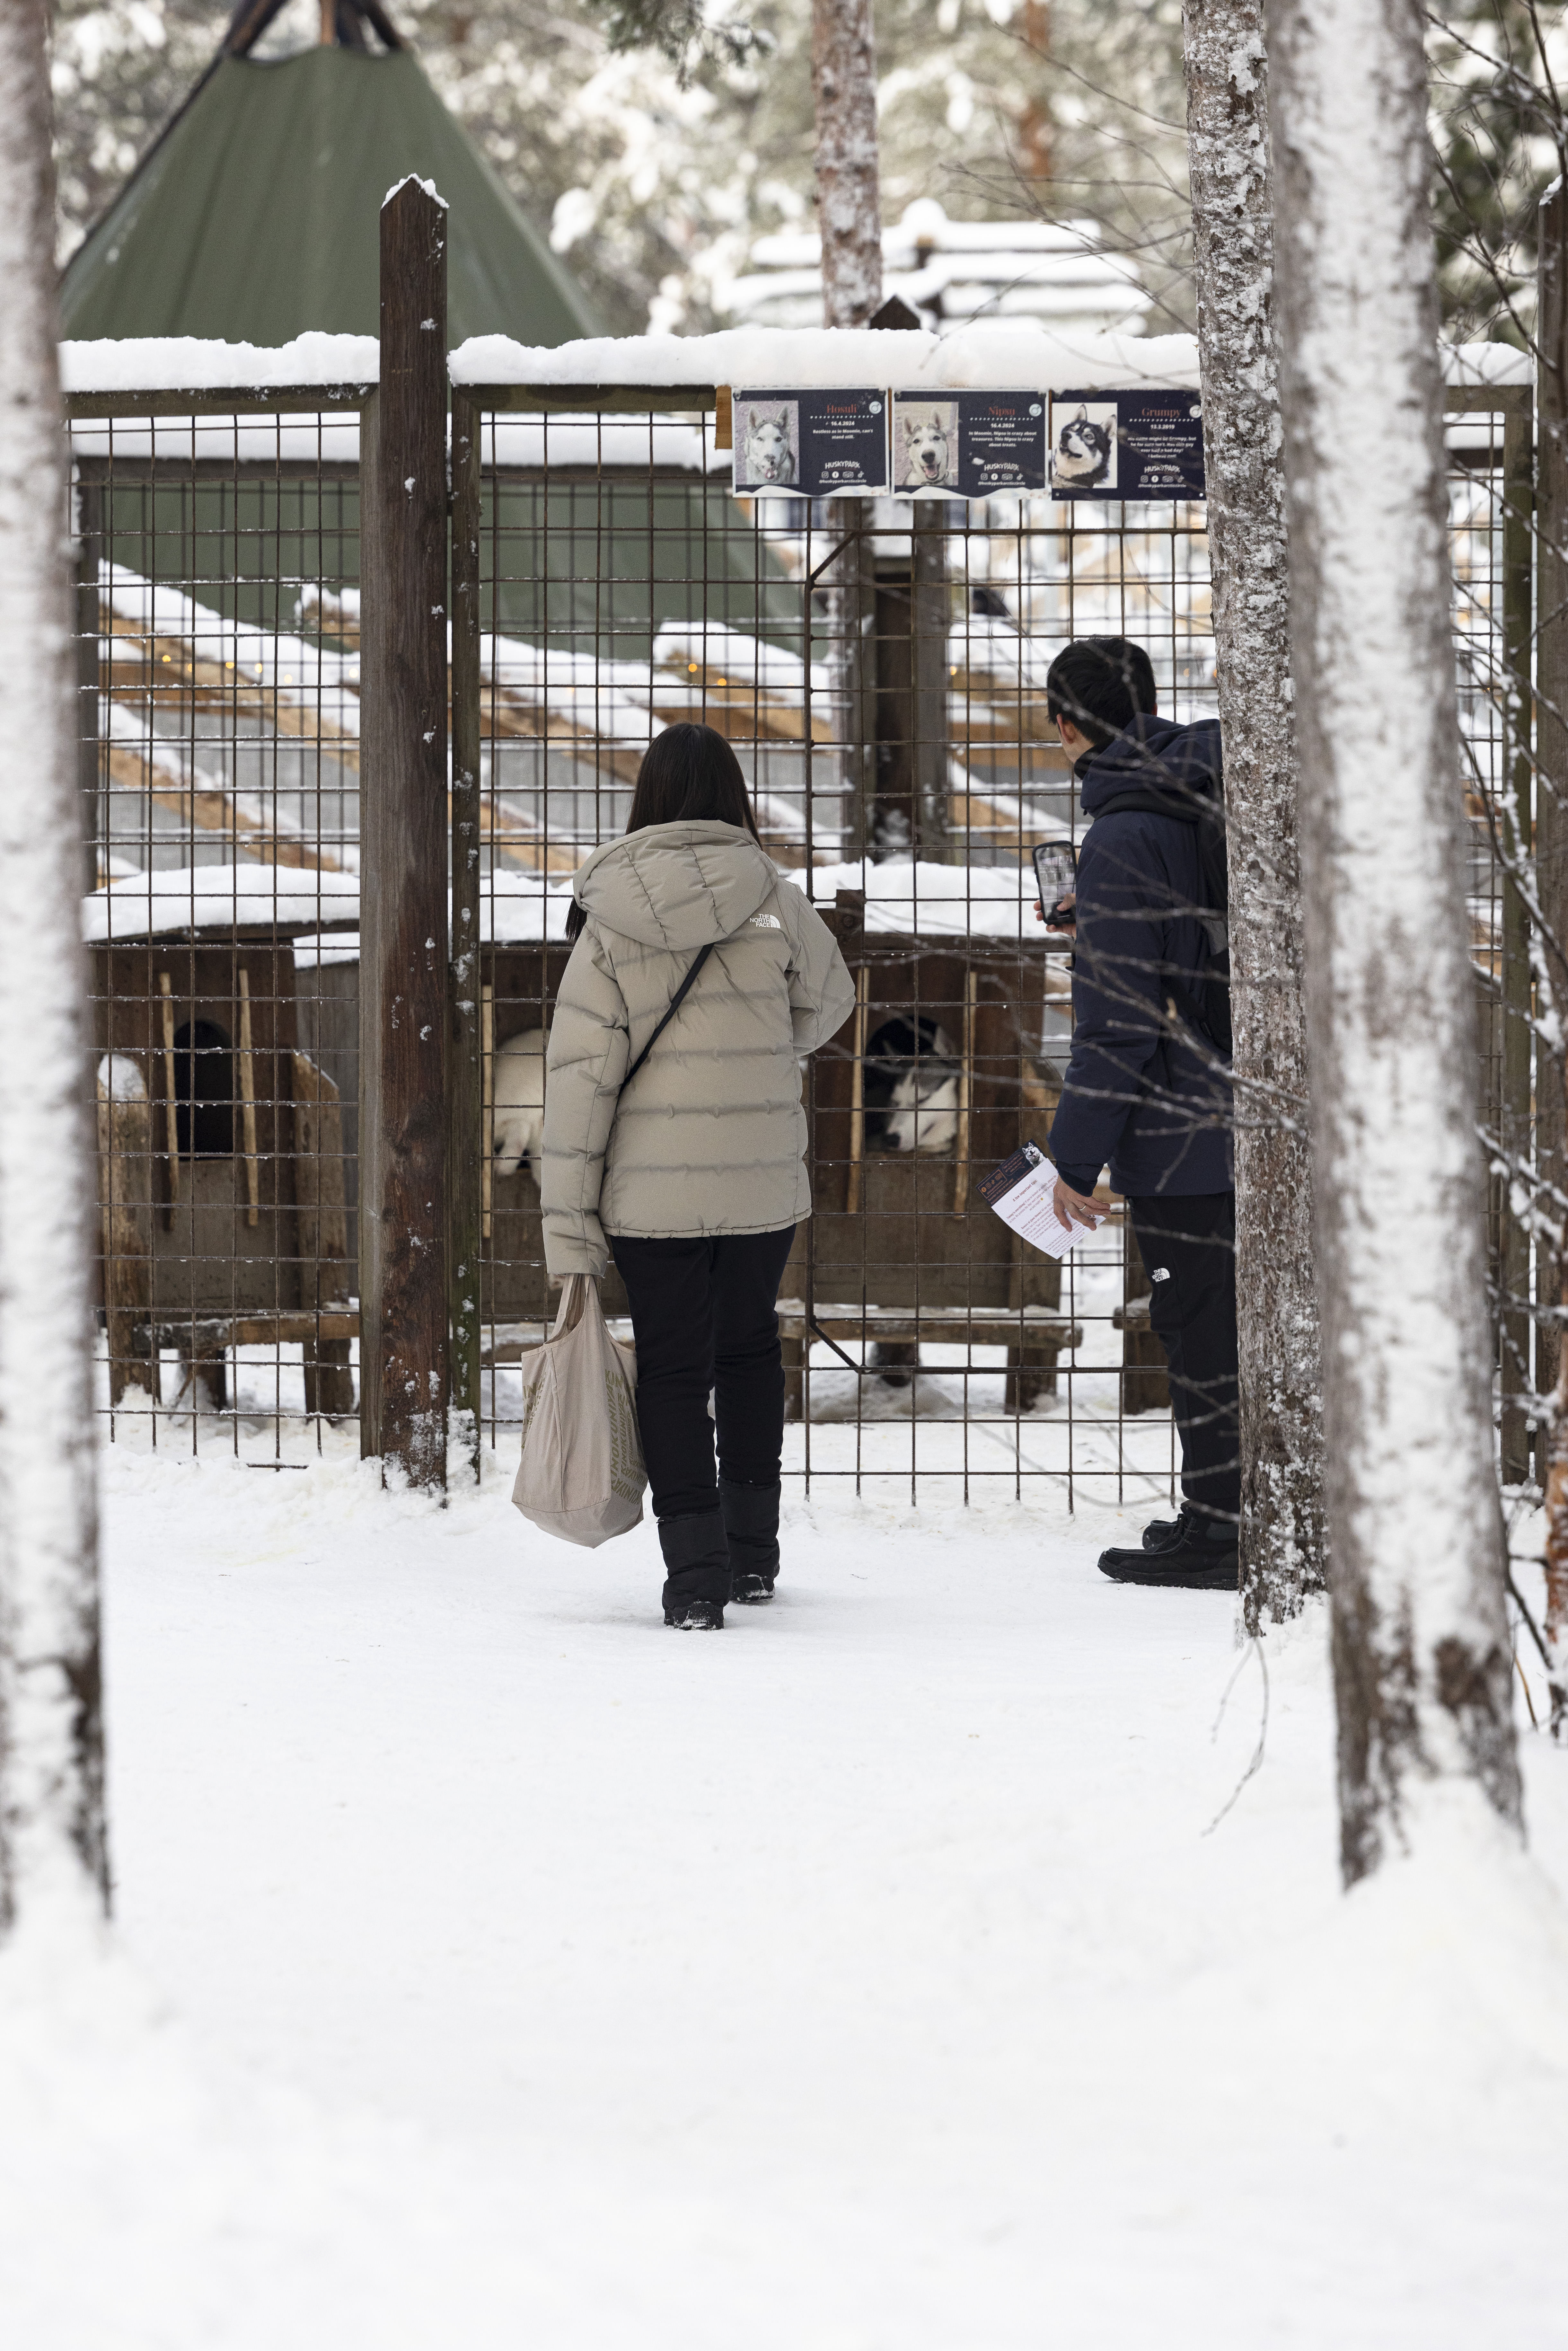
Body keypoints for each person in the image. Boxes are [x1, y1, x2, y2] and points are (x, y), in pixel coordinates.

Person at [540, 724, 855, 1630]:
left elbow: (580, 1079)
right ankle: (756, 1558)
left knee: (673, 1371)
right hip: (759, 1186)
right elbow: (830, 1002)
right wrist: (760, 1054)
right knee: (751, 1350)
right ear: (734, 794)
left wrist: (568, 1222)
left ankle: (695, 1580)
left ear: (645, 796)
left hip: (649, 1194)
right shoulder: (773, 894)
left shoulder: (606, 919)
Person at [1038, 637, 1240, 1591]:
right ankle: (1217, 1509)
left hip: (1180, 1128)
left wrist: (1072, 1161)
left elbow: (1116, 1026)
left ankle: (1223, 1529)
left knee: (1197, 1325)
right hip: (1246, 1104)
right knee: (1223, 1318)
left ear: (1069, 725)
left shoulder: (1121, 833)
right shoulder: (1196, 794)